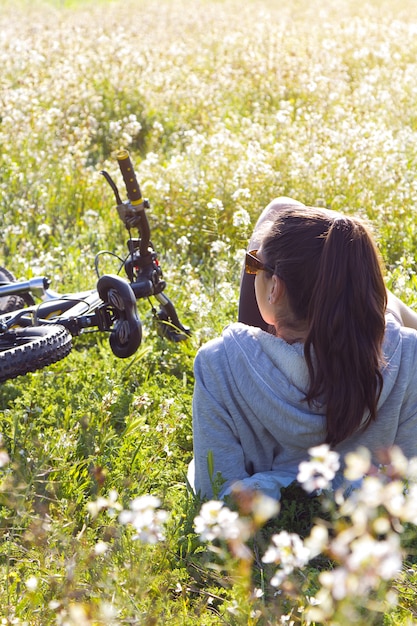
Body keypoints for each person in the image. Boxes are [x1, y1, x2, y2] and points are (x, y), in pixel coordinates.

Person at [190, 197, 417, 501]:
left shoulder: (216, 364)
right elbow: (406, 483)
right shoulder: (407, 355)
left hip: (270, 521)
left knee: (277, 207)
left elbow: (214, 491)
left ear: (275, 289)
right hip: (368, 515)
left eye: (254, 264)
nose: (251, 271)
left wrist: (279, 484)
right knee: (283, 209)